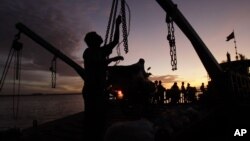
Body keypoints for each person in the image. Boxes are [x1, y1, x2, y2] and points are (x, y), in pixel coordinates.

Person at [82, 15, 123, 141]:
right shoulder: (88, 52)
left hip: (99, 90)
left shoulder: (101, 50)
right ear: (93, 41)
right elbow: (98, 63)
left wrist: (117, 25)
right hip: (91, 90)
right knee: (92, 119)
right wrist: (112, 59)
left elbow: (115, 41)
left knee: (101, 118)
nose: (101, 36)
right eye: (97, 36)